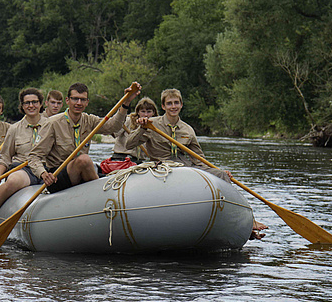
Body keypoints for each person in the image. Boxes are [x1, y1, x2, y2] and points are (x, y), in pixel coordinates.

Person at [127, 88, 268, 239]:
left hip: (186, 167)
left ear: (181, 105)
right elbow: (129, 144)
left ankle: (246, 222)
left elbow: (199, 158)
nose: (173, 106)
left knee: (221, 175)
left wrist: (216, 172)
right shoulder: (151, 124)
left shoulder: (188, 129)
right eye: (169, 103)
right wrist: (142, 128)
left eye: (176, 103)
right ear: (163, 106)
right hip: (163, 168)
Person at [28, 82, 141, 193]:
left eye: (82, 100)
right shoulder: (52, 123)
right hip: (58, 175)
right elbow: (34, 156)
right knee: (84, 160)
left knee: (88, 162)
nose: (78, 103)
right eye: (75, 99)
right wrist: (43, 173)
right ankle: (101, 194)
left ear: (87, 102)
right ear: (67, 100)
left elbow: (114, 127)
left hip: (81, 172)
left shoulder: (89, 120)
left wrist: (126, 103)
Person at [0, 88, 48, 232]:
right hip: (24, 169)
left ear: (40, 104)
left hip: (47, 168)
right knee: (14, 180)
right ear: (22, 106)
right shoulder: (15, 129)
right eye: (27, 103)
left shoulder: (51, 125)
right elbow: (4, 157)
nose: (31, 106)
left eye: (34, 102)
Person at [111, 97, 158, 164]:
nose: (146, 115)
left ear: (153, 113)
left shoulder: (155, 126)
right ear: (138, 112)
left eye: (149, 112)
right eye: (143, 111)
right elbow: (113, 133)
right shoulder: (127, 120)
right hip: (121, 158)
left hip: (138, 161)